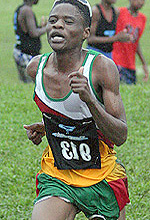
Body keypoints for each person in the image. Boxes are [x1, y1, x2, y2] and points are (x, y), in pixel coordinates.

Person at [24, 0, 130, 219]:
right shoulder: (36, 68)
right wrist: (48, 126)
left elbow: (120, 135)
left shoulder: (101, 68)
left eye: (68, 21)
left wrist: (89, 98)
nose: (57, 26)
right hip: (58, 173)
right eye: (53, 20)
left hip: (101, 176)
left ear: (85, 32)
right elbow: (67, 112)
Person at [112, 0, 149, 84]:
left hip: (130, 64)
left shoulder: (142, 18)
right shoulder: (119, 12)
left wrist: (143, 63)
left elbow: (136, 41)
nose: (140, 2)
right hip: (117, 61)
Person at [13, 0, 47, 83]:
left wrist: (41, 27)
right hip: (26, 54)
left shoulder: (20, 8)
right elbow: (33, 33)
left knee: (26, 84)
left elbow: (26, 30)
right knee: (33, 85)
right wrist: (49, 27)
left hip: (20, 51)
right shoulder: (27, 10)